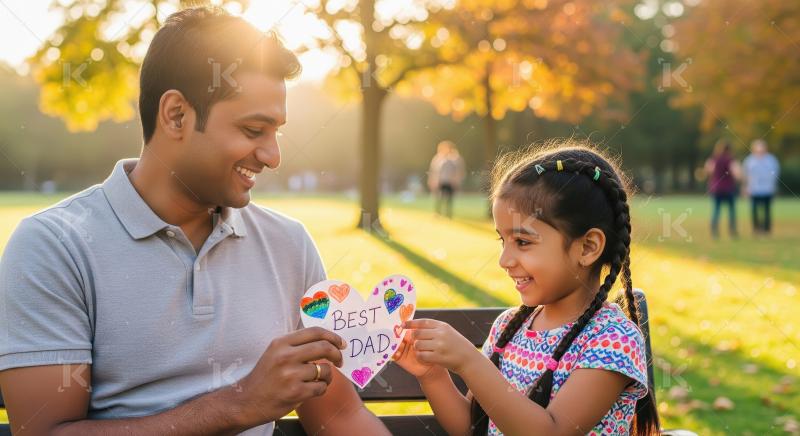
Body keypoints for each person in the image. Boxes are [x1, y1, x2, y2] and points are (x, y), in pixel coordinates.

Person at [0, 7, 390, 436]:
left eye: (276, 131)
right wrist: (239, 404)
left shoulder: (288, 244)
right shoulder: (55, 247)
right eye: (253, 129)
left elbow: (339, 416)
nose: (273, 156)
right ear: (176, 116)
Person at [393, 143, 660, 435]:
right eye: (502, 241)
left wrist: (469, 362)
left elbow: (550, 431)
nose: (504, 260)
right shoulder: (509, 327)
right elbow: (472, 428)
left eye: (522, 242)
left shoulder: (612, 340)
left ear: (588, 247)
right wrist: (432, 375)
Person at [704, 139, 741, 239]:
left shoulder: (713, 159)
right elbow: (737, 173)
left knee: (716, 210)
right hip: (728, 188)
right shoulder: (731, 160)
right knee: (731, 211)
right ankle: (732, 231)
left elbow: (708, 171)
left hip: (716, 188)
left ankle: (714, 232)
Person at [742, 139, 780, 235]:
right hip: (754, 189)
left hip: (767, 189)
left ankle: (766, 230)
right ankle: (756, 229)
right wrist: (745, 187)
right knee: (754, 210)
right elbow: (746, 175)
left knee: (767, 210)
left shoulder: (771, 160)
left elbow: (775, 175)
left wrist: (774, 187)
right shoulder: (749, 161)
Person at [428, 140, 466, 218]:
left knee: (449, 198)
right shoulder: (438, 158)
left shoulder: (454, 158)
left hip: (450, 181)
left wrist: (456, 181)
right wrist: (432, 180)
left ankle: (448, 214)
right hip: (440, 181)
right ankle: (437, 213)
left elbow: (458, 171)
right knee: (439, 197)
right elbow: (433, 171)